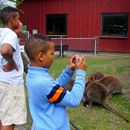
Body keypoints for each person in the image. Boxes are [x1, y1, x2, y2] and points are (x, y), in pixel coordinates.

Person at [25, 33, 88, 130]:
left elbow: (53, 90)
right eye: (52, 53)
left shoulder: (33, 75)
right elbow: (74, 99)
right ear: (41, 56)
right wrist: (80, 73)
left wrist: (68, 71)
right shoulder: (44, 82)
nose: (53, 57)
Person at [0, 6, 27, 130]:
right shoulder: (10, 34)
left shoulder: (1, 33)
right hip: (11, 83)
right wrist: (11, 62)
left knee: (3, 117)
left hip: (2, 80)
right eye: (18, 19)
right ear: (11, 20)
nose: (19, 22)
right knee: (9, 120)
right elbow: (5, 50)